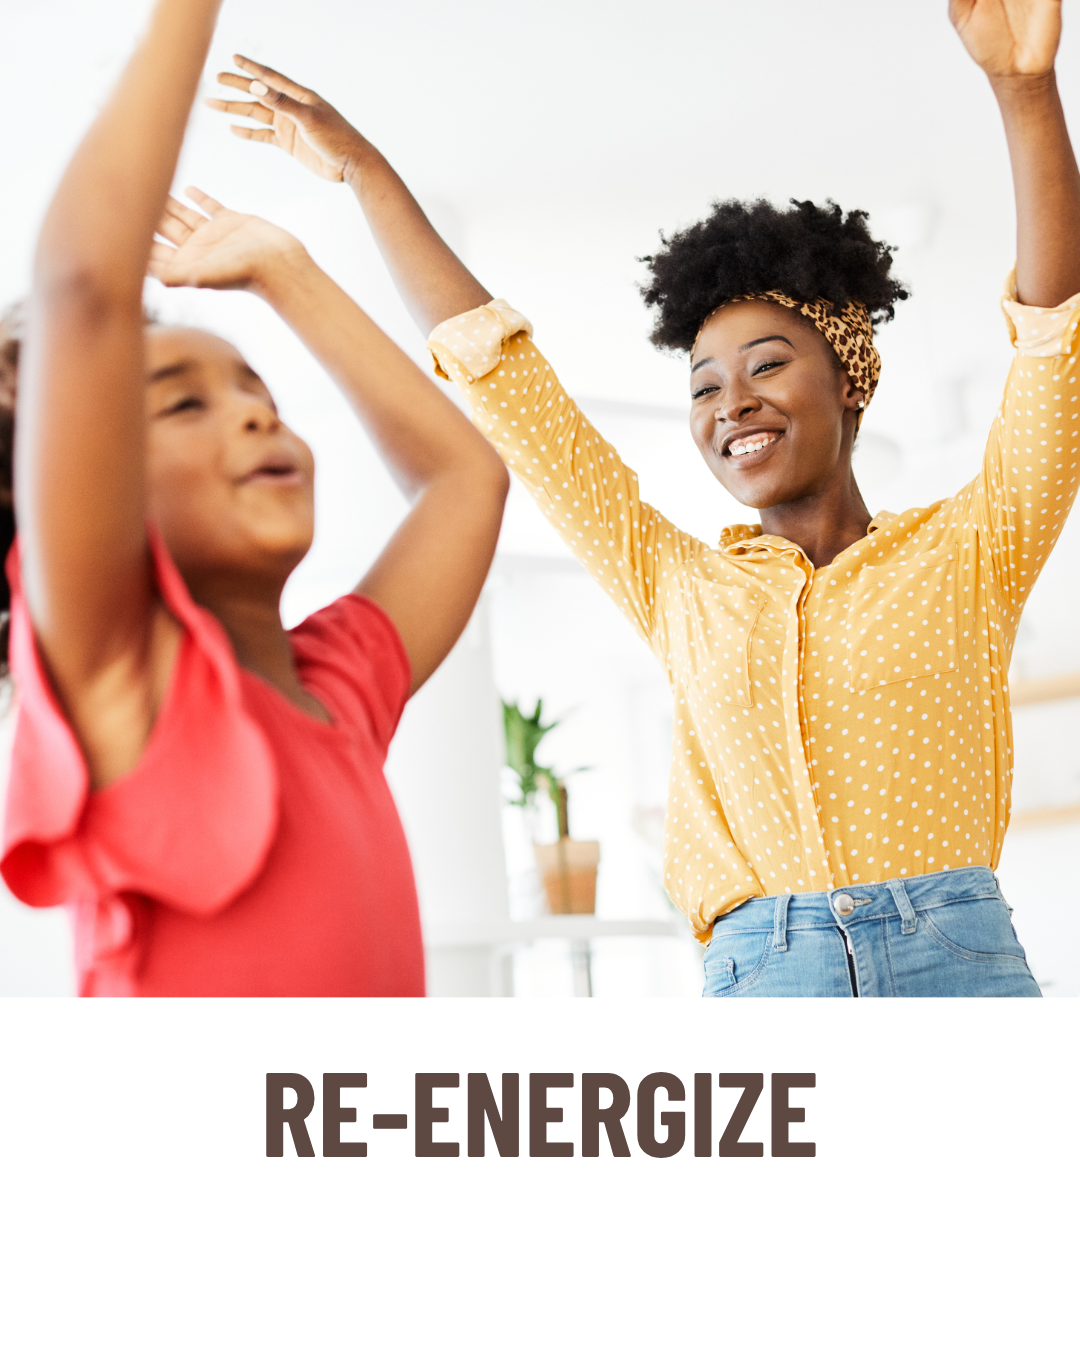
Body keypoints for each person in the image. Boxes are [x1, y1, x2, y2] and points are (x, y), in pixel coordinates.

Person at [212, 0, 1077, 998]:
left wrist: (1024, 91)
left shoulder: (970, 553)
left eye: (764, 365)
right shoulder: (676, 586)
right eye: (704, 384)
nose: (731, 402)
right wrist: (367, 173)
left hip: (958, 970)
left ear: (847, 378)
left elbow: (1056, 351)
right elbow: (513, 393)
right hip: (768, 980)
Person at [0, 0, 510, 996]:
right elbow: (81, 291)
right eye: (182, 403)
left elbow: (464, 480)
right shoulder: (120, 675)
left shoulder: (342, 690)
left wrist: (286, 271)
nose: (251, 418)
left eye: (258, 394)